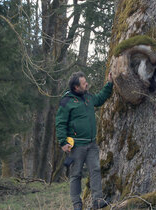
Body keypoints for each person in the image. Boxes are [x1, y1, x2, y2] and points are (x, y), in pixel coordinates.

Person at [55, 71, 113, 210]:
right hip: (76, 146)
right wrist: (63, 142)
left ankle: (97, 200)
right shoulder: (66, 101)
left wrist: (109, 84)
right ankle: (76, 204)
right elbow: (60, 123)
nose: (86, 84)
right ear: (76, 87)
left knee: (96, 170)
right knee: (76, 174)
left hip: (92, 144)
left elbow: (99, 99)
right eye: (83, 83)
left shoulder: (87, 97)